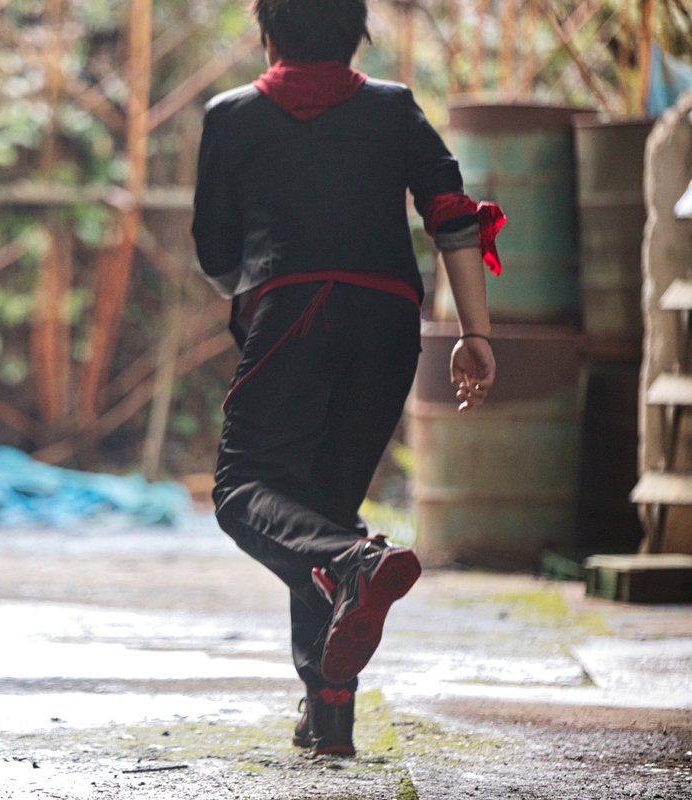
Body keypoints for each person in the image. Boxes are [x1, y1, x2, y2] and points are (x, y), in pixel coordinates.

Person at [191, 0, 500, 757]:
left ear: (267, 32)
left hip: (295, 313)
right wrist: (475, 334)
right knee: (321, 510)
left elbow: (216, 255)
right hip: (388, 325)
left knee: (244, 491)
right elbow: (452, 215)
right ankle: (329, 711)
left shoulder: (232, 116)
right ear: (357, 33)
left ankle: (356, 561)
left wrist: (257, 281)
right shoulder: (394, 108)